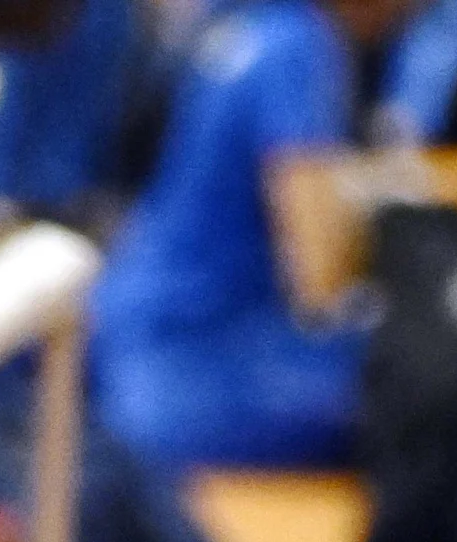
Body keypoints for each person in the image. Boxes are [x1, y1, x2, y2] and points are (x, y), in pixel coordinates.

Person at [87, 0, 424, 473]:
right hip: (197, 380)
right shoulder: (295, 45)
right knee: (437, 391)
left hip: (126, 342)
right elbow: (323, 277)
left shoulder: (245, 22)